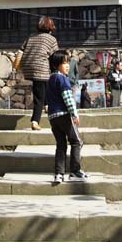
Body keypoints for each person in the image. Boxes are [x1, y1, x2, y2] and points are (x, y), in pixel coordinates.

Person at [47, 50, 88, 184]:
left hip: (53, 117)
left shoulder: (50, 79)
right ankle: (75, 171)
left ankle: (59, 173)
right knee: (76, 142)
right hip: (64, 115)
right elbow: (68, 97)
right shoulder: (62, 79)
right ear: (57, 64)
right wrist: (74, 114)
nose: (67, 66)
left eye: (67, 63)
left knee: (61, 145)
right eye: (64, 63)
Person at [18, 15, 59, 130]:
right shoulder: (52, 39)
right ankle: (35, 121)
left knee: (43, 86)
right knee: (39, 96)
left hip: (27, 66)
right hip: (40, 67)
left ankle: (47, 105)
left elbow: (21, 49)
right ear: (50, 28)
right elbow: (54, 57)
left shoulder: (31, 36)